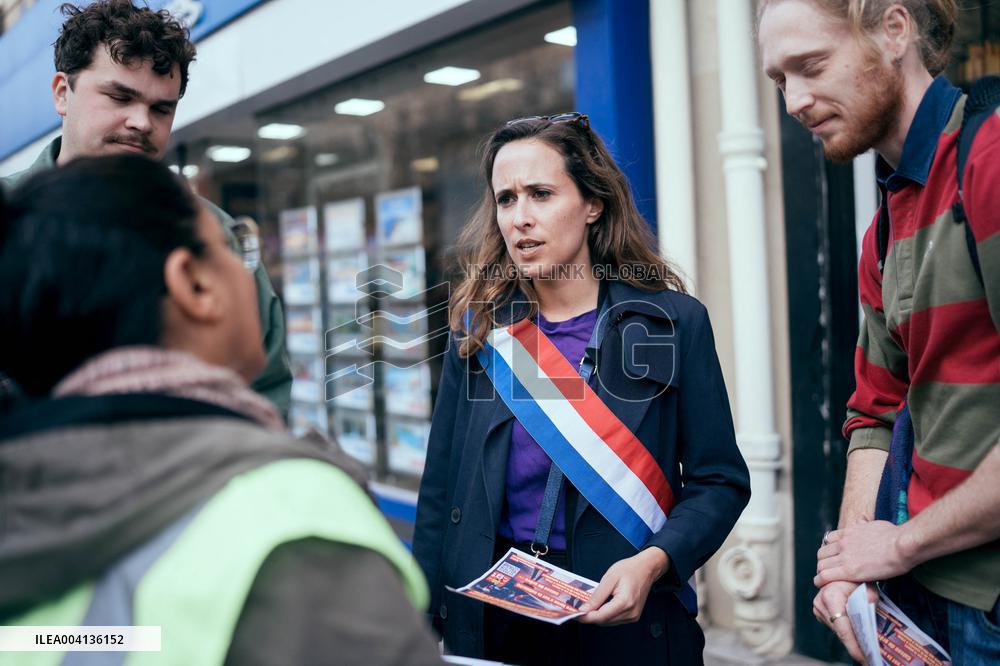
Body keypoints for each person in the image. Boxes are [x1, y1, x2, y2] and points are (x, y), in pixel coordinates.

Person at [0, 155, 443, 665]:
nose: (249, 270)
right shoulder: (292, 517)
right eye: (232, 249)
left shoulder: (26, 498)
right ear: (194, 284)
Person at [412, 113, 751, 665]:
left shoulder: (673, 323)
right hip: (494, 619)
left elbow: (720, 481)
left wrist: (658, 560)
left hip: (623, 618)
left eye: (541, 194)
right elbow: (440, 491)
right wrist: (421, 623)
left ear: (592, 204)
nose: (520, 218)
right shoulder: (479, 332)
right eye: (506, 199)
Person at [758, 0, 1000, 662]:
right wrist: (848, 564)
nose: (795, 102)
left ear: (894, 30)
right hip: (920, 595)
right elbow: (874, 411)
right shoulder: (885, 226)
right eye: (780, 80)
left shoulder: (992, 158)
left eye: (811, 66)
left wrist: (895, 544)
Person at [0, 0, 292, 414]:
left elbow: (264, 387)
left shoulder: (215, 234)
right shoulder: (6, 217)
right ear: (63, 93)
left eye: (161, 108)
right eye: (120, 97)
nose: (142, 122)